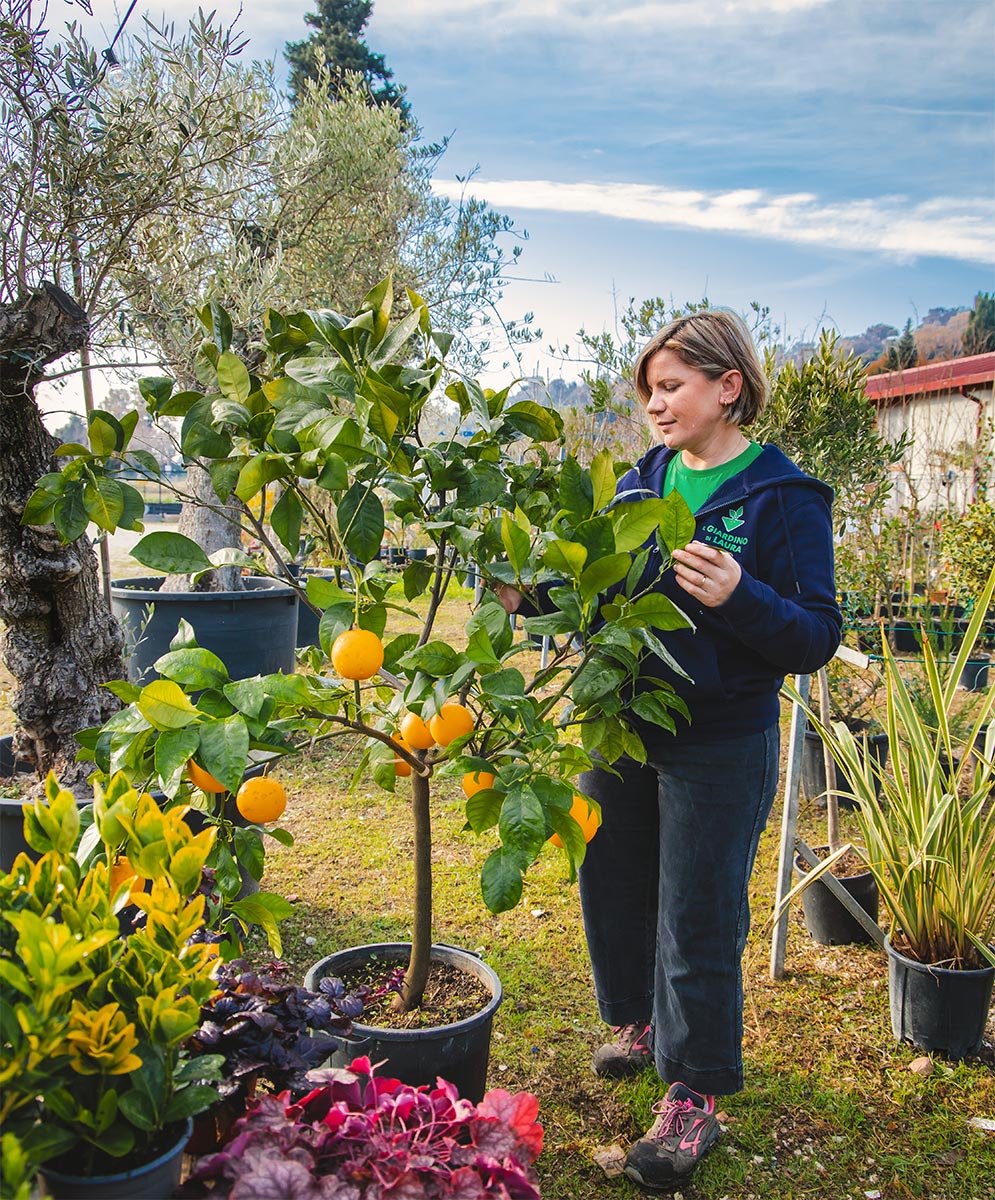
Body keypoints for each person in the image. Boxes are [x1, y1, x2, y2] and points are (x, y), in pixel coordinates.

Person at [494, 309, 841, 1190]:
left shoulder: (782, 497)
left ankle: (693, 1092)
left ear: (727, 387)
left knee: (696, 915)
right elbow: (596, 588)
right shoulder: (640, 482)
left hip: (718, 739)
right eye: (648, 389)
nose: (653, 404)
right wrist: (525, 594)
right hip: (621, 723)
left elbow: (815, 635)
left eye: (670, 386)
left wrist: (739, 594)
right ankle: (640, 1023)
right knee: (610, 882)